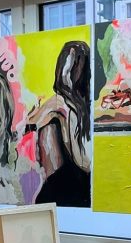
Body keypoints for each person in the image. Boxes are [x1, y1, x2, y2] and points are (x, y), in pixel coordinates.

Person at [27, 40, 91, 207]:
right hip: (68, 189)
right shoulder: (60, 105)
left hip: (67, 189)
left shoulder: (63, 105)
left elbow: (84, 163)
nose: (66, 74)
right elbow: (84, 163)